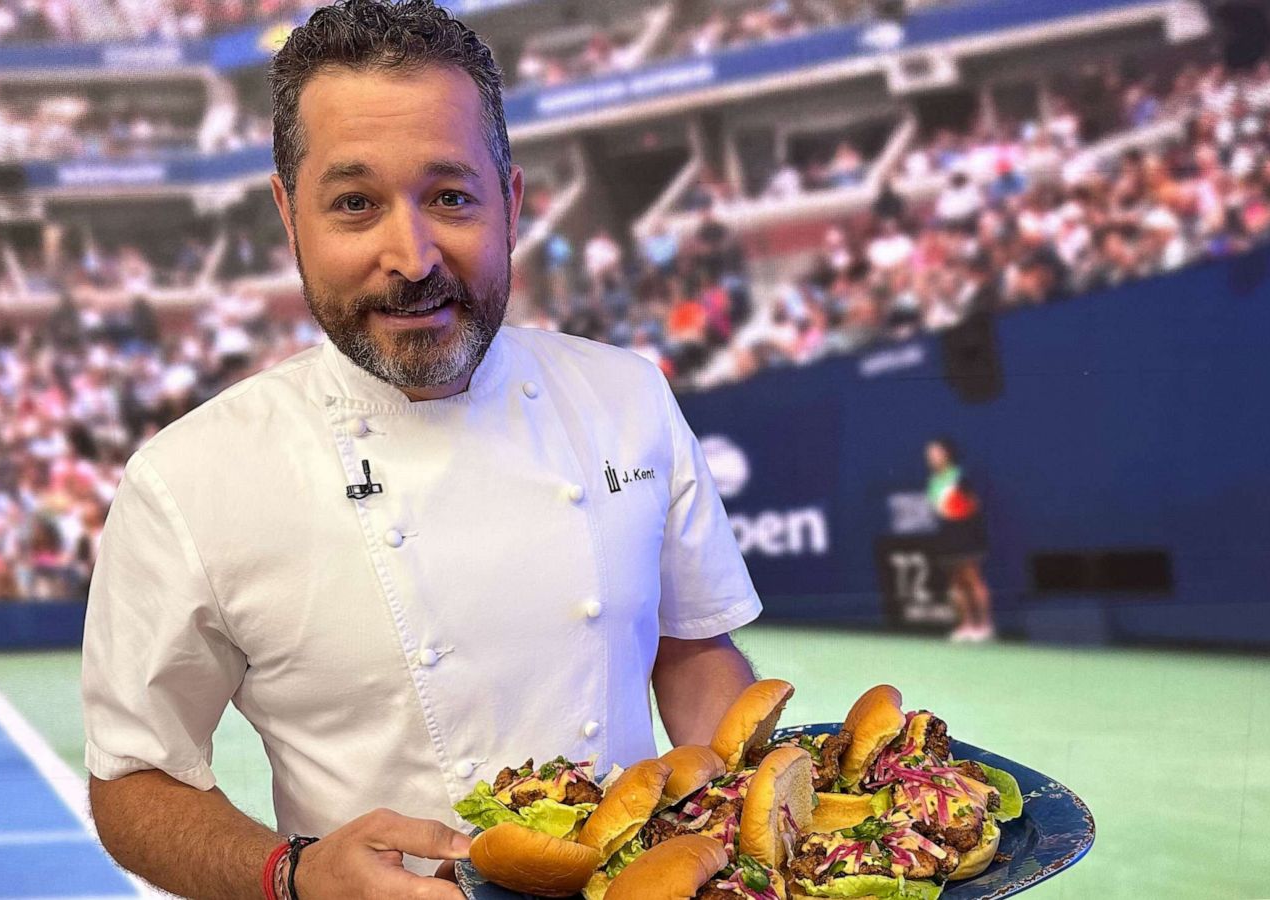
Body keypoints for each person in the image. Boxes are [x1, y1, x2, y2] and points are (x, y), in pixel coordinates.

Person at [80, 2, 763, 898]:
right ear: (290, 215)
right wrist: (293, 876)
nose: (411, 256)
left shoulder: (626, 396)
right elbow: (134, 778)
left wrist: (756, 828)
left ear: (510, 204)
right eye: (355, 204)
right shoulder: (189, 480)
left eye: (450, 197)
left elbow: (691, 650)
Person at [924, 438, 993, 642]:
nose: (930, 458)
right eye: (929, 455)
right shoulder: (933, 481)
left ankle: (984, 626)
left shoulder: (961, 476)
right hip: (947, 535)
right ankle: (965, 626)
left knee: (972, 578)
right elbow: (937, 510)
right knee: (954, 582)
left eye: (935, 453)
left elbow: (973, 504)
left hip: (965, 533)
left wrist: (960, 513)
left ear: (946, 454)